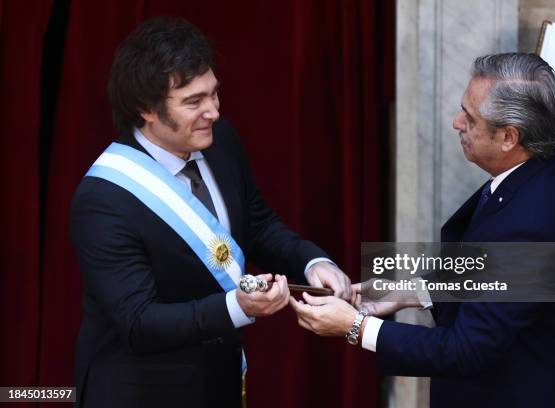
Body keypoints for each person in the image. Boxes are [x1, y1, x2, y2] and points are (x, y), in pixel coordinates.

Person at [290, 53, 555, 407]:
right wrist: (412, 291)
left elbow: (466, 349)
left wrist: (355, 327)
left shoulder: (532, 223)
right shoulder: (549, 167)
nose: (456, 123)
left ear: (508, 137)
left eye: (470, 117)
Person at [70, 16, 352, 408]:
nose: (213, 112)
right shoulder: (103, 200)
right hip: (142, 393)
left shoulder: (219, 143)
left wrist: (310, 261)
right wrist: (237, 307)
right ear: (145, 109)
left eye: (214, 94)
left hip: (219, 382)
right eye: (193, 102)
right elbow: (138, 323)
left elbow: (256, 224)